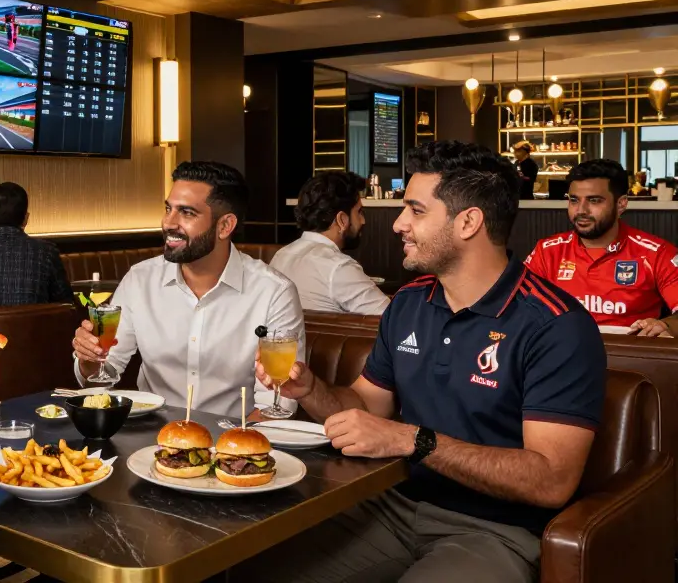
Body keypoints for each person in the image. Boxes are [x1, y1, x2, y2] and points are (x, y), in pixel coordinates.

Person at [249, 141, 605, 582]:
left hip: (495, 531)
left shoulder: (556, 325)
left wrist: (414, 441)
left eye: (415, 210)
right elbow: (366, 406)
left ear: (468, 222)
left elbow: (551, 481)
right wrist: (311, 390)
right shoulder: (409, 303)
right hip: (392, 506)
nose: (398, 223)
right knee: (252, 568)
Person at [69, 161, 305, 419]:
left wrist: (230, 444)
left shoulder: (274, 292)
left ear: (225, 226)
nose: (169, 223)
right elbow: (101, 376)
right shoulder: (140, 280)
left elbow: (277, 404)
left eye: (187, 213)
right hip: (151, 434)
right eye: (168, 209)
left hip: (232, 436)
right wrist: (89, 357)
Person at [525, 158, 678, 336]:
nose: (581, 210)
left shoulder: (657, 253)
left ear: (621, 204)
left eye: (594, 200)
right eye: (574, 200)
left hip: (628, 351)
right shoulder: (547, 251)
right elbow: (516, 307)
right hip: (562, 349)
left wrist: (665, 326)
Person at [271, 171, 389, 315]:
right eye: (359, 212)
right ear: (342, 220)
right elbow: (393, 318)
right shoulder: (339, 267)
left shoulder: (280, 257)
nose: (363, 221)